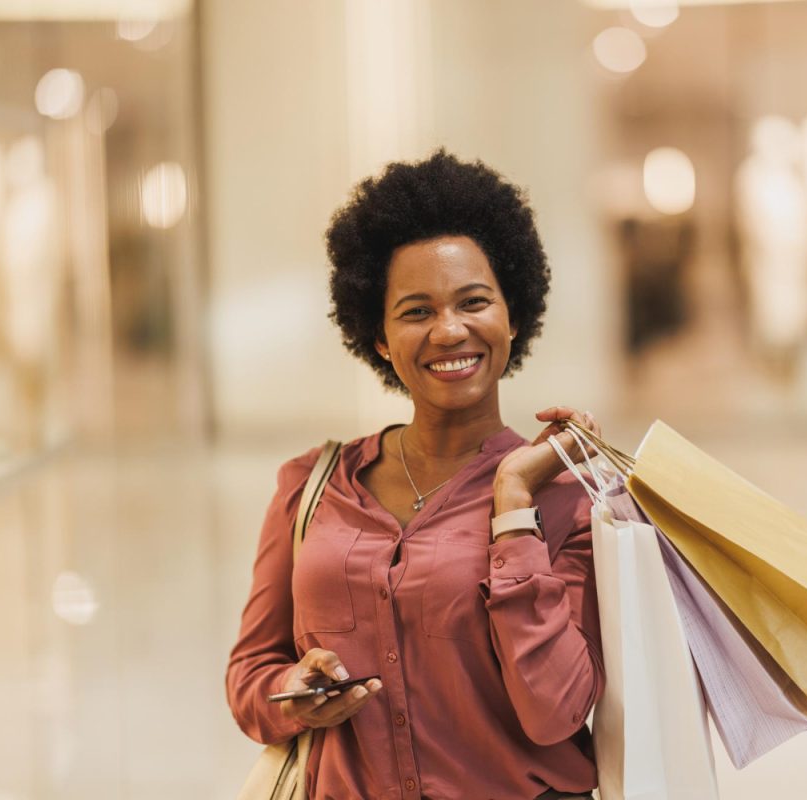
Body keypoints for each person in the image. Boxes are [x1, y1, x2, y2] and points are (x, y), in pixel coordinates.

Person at [227, 151, 604, 799]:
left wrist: (514, 504)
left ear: (513, 315)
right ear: (378, 336)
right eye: (417, 311)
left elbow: (558, 710)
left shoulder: (570, 501)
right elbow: (251, 673)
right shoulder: (310, 486)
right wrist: (291, 694)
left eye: (474, 302)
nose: (449, 330)